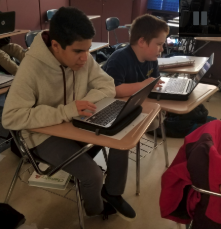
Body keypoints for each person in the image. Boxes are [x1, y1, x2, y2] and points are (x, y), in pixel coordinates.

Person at [2, 7, 136, 221]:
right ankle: (95, 209)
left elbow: (107, 85)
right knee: (93, 175)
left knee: (121, 138)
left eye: (88, 49)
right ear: (55, 45)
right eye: (78, 51)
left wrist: (78, 108)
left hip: (76, 123)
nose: (85, 58)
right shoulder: (31, 68)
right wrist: (68, 110)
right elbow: (11, 117)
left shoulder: (81, 56)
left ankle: (112, 193)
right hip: (43, 136)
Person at [102, 14, 169, 130]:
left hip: (131, 105)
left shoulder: (151, 59)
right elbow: (114, 90)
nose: (162, 49)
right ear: (142, 42)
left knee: (156, 119)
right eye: (159, 44)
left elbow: (154, 84)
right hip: (109, 110)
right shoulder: (119, 58)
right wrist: (144, 85)